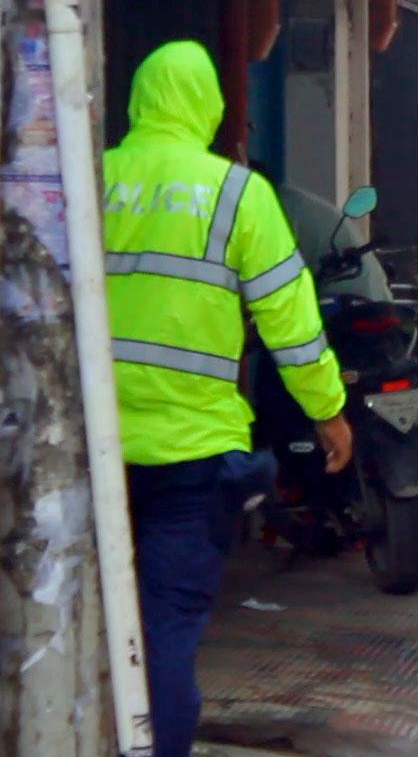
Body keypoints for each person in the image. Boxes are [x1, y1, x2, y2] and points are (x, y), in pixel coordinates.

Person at [103, 41, 353, 757]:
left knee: (85, 627)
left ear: (138, 100)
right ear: (210, 108)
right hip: (190, 453)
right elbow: (291, 321)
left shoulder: (90, 178)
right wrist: (329, 414)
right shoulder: (237, 193)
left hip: (91, 453)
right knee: (166, 637)